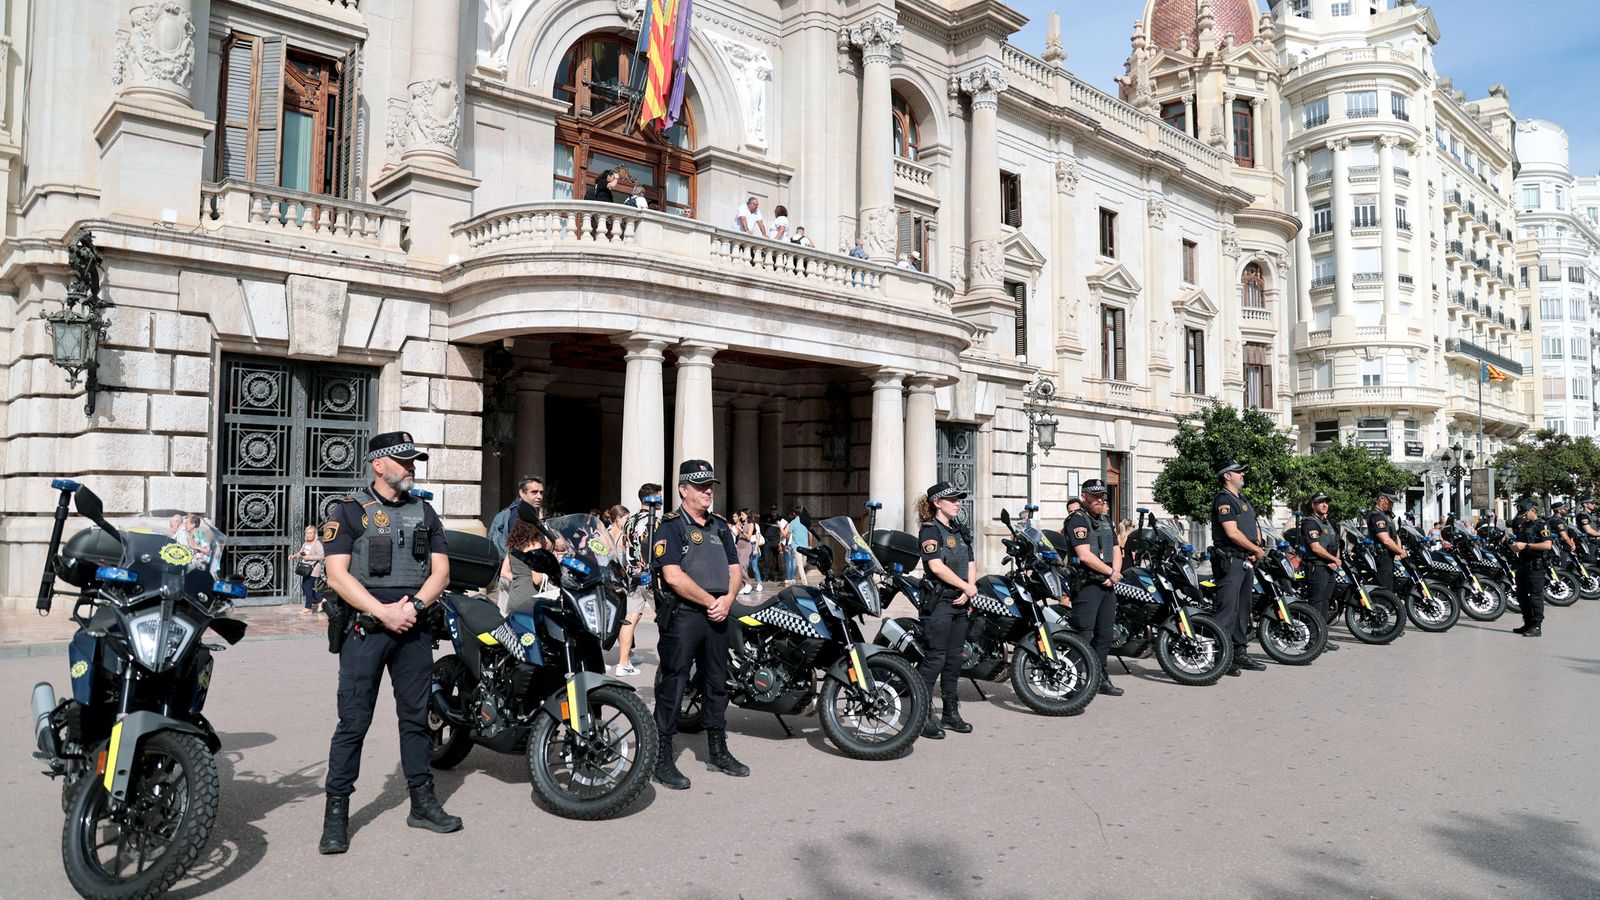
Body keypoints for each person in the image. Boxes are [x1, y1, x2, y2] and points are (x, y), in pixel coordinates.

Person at [318, 431, 460, 855]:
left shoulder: (426, 512)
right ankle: (336, 815)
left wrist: (413, 607)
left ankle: (422, 803)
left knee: (416, 719)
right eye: (404, 460)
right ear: (379, 465)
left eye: (414, 460)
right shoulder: (347, 511)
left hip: (413, 629)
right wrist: (384, 613)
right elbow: (337, 575)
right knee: (353, 724)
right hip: (365, 630)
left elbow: (442, 573)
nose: (412, 466)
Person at [651, 460, 749, 789]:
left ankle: (717, 751)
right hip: (686, 615)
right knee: (674, 685)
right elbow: (672, 576)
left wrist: (728, 600)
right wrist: (711, 602)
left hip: (719, 615)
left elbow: (736, 569)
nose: (708, 491)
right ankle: (661, 756)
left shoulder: (720, 527)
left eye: (711, 485)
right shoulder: (670, 527)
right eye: (701, 485)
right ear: (683, 490)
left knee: (717, 684)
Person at [916, 482, 978, 739]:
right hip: (940, 604)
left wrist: (969, 588)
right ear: (937, 503)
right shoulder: (930, 531)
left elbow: (971, 561)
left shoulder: (960, 530)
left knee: (954, 660)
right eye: (951, 499)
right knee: (934, 660)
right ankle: (922, 715)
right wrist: (965, 586)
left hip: (960, 603)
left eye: (958, 498)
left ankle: (950, 712)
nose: (957, 502)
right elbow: (937, 567)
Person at [1065, 480, 1124, 696]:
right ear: (1084, 497)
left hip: (1108, 584)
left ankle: (1099, 677)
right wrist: (1110, 573)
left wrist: (1114, 573)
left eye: (1102, 495)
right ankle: (1071, 679)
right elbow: (1084, 555)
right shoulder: (1077, 520)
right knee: (1084, 633)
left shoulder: (1106, 520)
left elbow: (1116, 548)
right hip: (1088, 584)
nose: (1100, 499)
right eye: (1095, 495)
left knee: (1105, 634)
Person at [1209, 460, 1268, 676]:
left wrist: (1256, 547)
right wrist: (1256, 549)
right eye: (1238, 472)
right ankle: (1221, 657)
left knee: (1243, 609)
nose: (1243, 474)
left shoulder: (1241, 499)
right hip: (1230, 560)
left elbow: (1252, 527)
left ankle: (1239, 652)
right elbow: (1232, 533)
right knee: (1228, 610)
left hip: (1245, 559)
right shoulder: (1224, 500)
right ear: (1227, 476)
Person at [616, 483, 664, 677]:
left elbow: (625, 546)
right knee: (667, 620)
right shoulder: (657, 522)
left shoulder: (630, 521)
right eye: (659, 496)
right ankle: (670, 662)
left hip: (633, 577)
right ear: (651, 498)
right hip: (652, 578)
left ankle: (622, 663)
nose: (661, 500)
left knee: (631, 618)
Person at [1299, 493, 1341, 652]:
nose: (1324, 505)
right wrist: (1333, 559)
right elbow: (1315, 547)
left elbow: (1336, 543)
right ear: (1313, 505)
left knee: (1325, 603)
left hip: (1329, 568)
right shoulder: (1310, 523)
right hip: (1317, 567)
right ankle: (1312, 641)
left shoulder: (1330, 523)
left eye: (1326, 502)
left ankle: (1322, 639)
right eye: (1320, 502)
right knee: (1316, 604)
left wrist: (1336, 560)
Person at [1510, 497, 1552, 637]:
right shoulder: (1525, 526)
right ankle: (1527, 622)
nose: (1523, 517)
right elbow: (1521, 543)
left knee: (1535, 596)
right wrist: (1516, 547)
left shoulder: (1542, 524)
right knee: (1521, 595)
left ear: (1533, 510)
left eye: (1525, 514)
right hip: (1523, 564)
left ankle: (1537, 626)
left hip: (1536, 566)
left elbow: (1547, 545)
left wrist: (1527, 546)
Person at [498, 514, 553, 616]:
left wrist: (520, 578)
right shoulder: (535, 546)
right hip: (529, 602)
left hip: (514, 599)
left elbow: (504, 572)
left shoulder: (513, 545)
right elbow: (537, 579)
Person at [489, 475, 544, 556]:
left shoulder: (519, 510)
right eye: (534, 492)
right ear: (522, 493)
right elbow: (520, 546)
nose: (539, 496)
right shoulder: (519, 514)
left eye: (541, 493)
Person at [1366, 487, 1406, 592]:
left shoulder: (1386, 516)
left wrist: (1398, 550)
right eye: (1390, 501)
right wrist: (1401, 551)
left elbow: (1395, 535)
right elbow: (1386, 540)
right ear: (1381, 498)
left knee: (1390, 588)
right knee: (1384, 590)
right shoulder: (1376, 516)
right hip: (1381, 557)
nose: (1391, 505)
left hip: (1390, 556)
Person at [291, 525, 326, 616]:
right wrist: (294, 556)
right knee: (305, 587)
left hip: (313, 569)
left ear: (315, 534)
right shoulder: (305, 544)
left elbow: (322, 556)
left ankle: (308, 608)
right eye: (307, 533)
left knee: (307, 587)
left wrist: (309, 557)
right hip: (306, 569)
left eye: (311, 533)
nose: (309, 535)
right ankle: (320, 599)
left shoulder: (317, 544)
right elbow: (301, 553)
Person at [733, 510, 756, 596]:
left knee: (742, 565)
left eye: (742, 514)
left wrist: (741, 530)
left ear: (747, 515)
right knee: (739, 566)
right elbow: (737, 535)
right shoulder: (742, 524)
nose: (741, 516)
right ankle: (744, 585)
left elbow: (749, 537)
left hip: (746, 547)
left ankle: (748, 583)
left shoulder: (751, 524)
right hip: (739, 546)